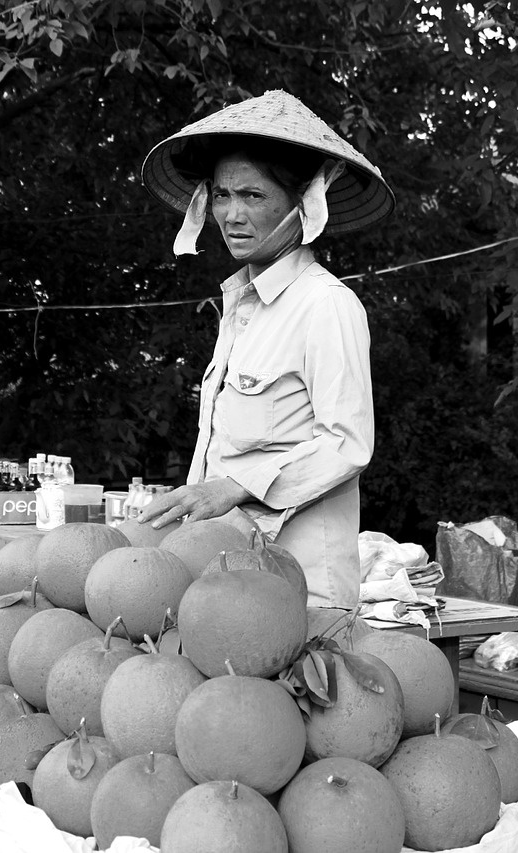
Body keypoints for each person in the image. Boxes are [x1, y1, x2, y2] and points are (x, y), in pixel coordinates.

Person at [135, 90, 395, 610]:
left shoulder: (326, 305)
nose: (232, 214)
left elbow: (346, 443)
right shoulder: (240, 307)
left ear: (302, 204)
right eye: (223, 195)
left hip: (302, 592)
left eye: (253, 196)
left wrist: (233, 487)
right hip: (229, 577)